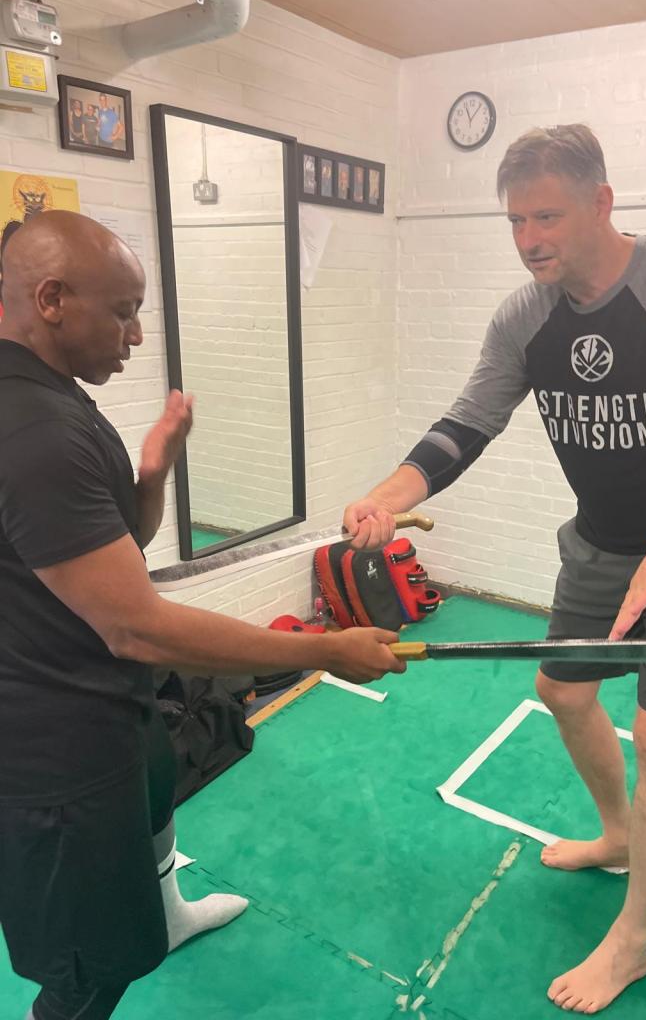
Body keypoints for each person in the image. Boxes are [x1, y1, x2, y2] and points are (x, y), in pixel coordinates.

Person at [342, 123, 646, 1014]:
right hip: (601, 543)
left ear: (601, 203)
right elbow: (467, 423)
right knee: (564, 692)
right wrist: (385, 494)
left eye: (547, 216)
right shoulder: (524, 318)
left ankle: (634, 938)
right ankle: (617, 834)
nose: (529, 238)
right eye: (516, 220)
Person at [0, 210, 405, 1020]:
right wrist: (323, 651)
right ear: (51, 299)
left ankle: (171, 913)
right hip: (57, 745)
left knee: (156, 800)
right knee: (89, 968)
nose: (137, 335)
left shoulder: (54, 396)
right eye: (122, 312)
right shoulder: (35, 432)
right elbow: (137, 625)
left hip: (108, 703)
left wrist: (152, 471)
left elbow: (122, 545)